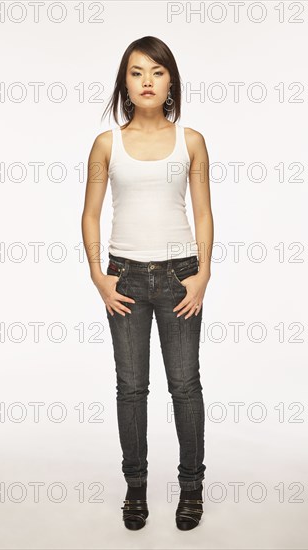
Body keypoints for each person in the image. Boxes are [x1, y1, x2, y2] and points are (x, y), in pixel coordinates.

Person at [81, 36, 214, 531]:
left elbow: (203, 210)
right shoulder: (106, 144)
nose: (147, 82)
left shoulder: (192, 141)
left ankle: (192, 488)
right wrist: (98, 274)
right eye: (137, 73)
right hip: (126, 276)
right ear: (125, 83)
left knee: (185, 387)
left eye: (157, 72)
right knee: (131, 388)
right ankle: (135, 490)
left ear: (171, 80)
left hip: (181, 274)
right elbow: (91, 213)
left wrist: (203, 274)